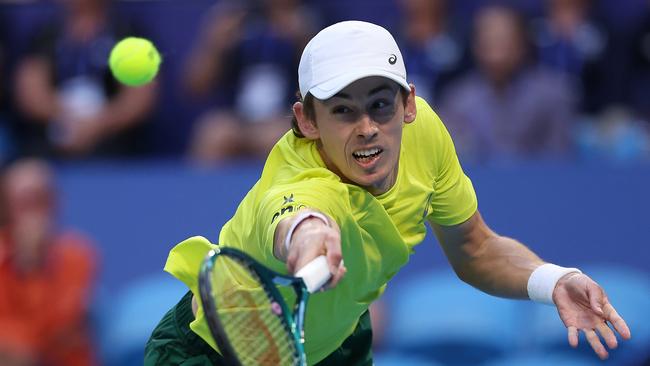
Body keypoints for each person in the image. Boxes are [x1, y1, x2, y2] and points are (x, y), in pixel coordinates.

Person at [145, 21, 630, 365]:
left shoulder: (425, 136)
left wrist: (552, 280)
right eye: (343, 111)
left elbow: (477, 249)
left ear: (410, 104)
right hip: (211, 351)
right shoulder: (300, 186)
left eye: (381, 105)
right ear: (306, 121)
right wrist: (312, 243)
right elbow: (299, 223)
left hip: (333, 341)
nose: (368, 128)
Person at [12, 0, 158, 158]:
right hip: (52, 140)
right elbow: (31, 91)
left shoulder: (127, 33)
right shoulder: (46, 34)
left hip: (114, 143)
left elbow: (139, 96)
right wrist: (67, 119)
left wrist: (98, 125)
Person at [184, 0, 319, 163]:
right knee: (214, 133)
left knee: (280, 137)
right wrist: (215, 45)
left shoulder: (315, 17)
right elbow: (195, 86)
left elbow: (324, 84)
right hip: (238, 118)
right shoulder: (235, 17)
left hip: (287, 116)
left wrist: (304, 42)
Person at [439, 5, 576, 161]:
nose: (496, 50)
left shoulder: (554, 94)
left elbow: (561, 159)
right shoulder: (458, 99)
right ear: (475, 46)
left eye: (503, 40)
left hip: (539, 182)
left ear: (523, 43)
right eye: (488, 40)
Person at [0, 158, 98, 365]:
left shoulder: (78, 255)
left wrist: (34, 264)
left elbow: (60, 327)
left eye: (42, 200)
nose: (36, 214)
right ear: (7, 208)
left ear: (56, 204)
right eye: (26, 203)